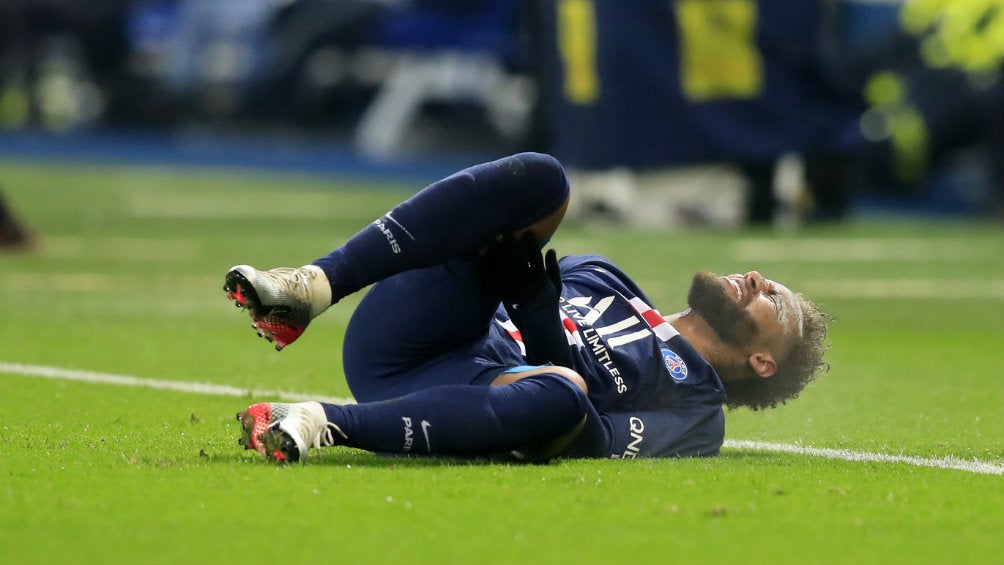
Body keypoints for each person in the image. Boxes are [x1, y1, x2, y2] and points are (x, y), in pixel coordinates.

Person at [224, 152, 830, 463]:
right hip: (410, 335)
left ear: (763, 361)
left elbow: (586, 441)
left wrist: (542, 325)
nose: (757, 278)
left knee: (563, 392)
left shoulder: (700, 414)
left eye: (777, 298)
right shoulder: (608, 277)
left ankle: (318, 421)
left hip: (472, 395)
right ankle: (311, 288)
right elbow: (494, 265)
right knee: (542, 180)